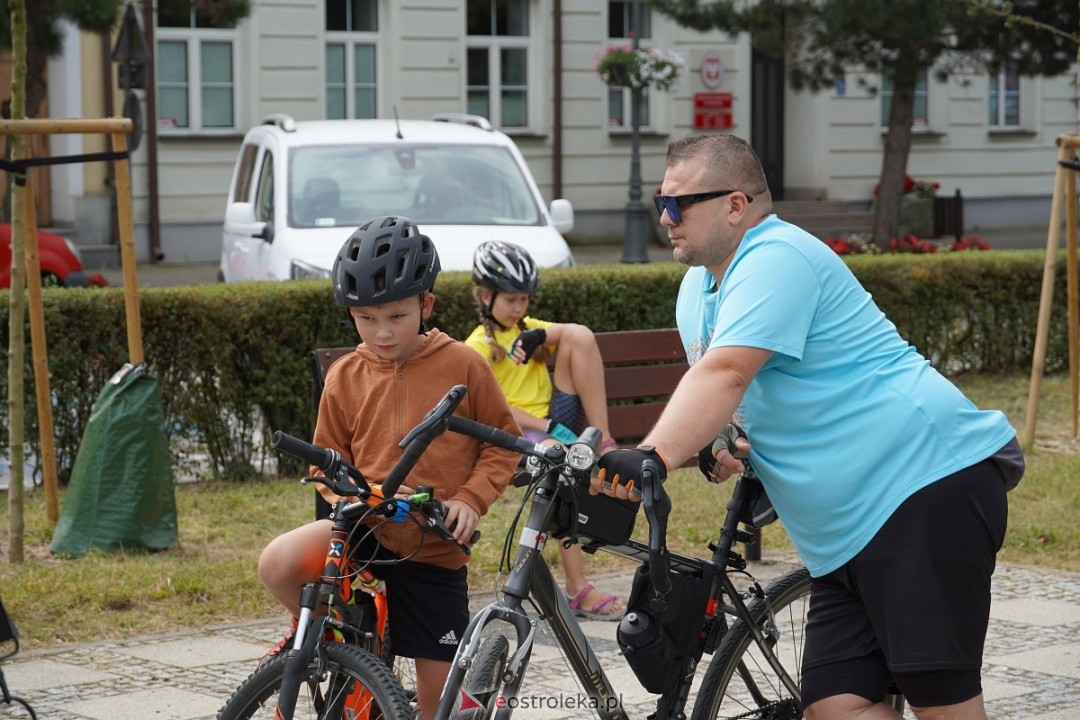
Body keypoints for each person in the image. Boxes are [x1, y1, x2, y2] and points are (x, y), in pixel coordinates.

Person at [592, 134, 1024, 720]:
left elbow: (726, 373)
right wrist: (718, 442)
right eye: (658, 204)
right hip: (842, 534)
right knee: (834, 706)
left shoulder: (777, 257)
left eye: (677, 204)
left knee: (943, 706)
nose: (664, 218)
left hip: (921, 487)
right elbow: (731, 396)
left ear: (735, 205)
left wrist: (653, 455)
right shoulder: (697, 287)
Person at [257, 216, 519, 720]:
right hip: (362, 533)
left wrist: (470, 498)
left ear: (426, 305)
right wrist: (348, 497)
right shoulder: (345, 375)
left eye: (397, 316)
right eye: (366, 318)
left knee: (438, 704)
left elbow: (503, 446)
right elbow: (324, 462)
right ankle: (347, 646)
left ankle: (381, 679)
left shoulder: (464, 363)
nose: (382, 333)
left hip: (433, 549)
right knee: (278, 562)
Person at [463, 240, 626, 621]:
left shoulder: (526, 329)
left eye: (524, 299)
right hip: (517, 433)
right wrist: (546, 426)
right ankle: (577, 588)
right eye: (511, 300)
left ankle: (602, 438)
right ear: (485, 296)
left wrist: (540, 336)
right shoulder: (476, 346)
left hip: (556, 429)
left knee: (577, 335)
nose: (520, 308)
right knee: (566, 468)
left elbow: (573, 335)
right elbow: (492, 406)